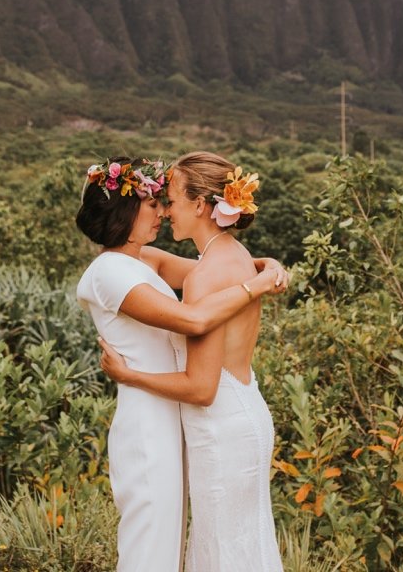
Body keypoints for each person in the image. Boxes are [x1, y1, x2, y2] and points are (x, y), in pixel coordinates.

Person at [76, 157, 288, 572]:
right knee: (155, 546)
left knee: (209, 546)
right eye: (151, 203)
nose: (161, 210)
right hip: (152, 424)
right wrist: (257, 279)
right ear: (123, 212)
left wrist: (267, 268)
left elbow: (218, 277)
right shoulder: (109, 272)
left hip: (190, 413)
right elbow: (198, 312)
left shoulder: (146, 259)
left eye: (164, 201)